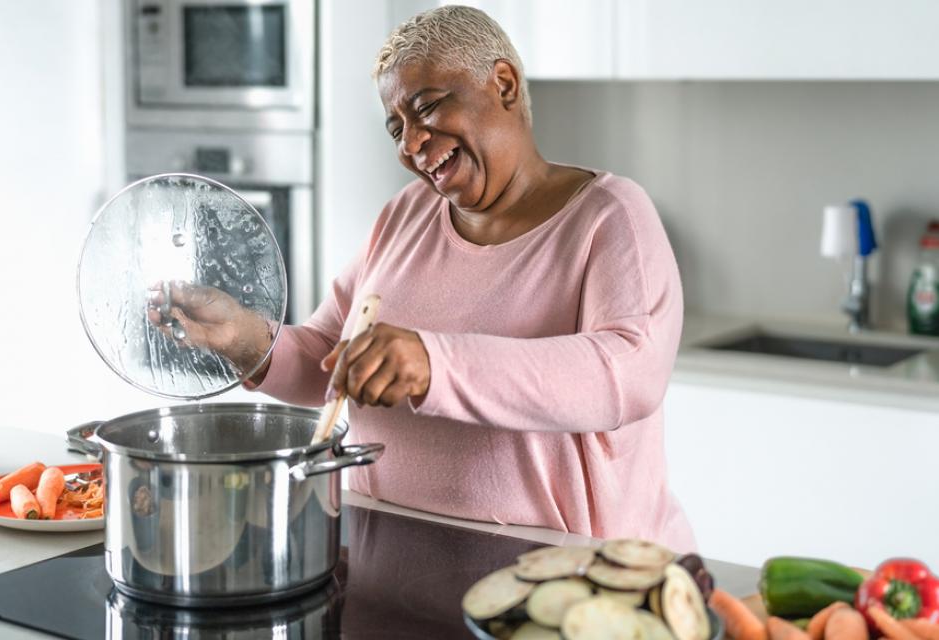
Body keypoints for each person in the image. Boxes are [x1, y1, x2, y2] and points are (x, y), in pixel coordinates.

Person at [157, 5, 695, 551]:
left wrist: (434, 363)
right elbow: (330, 360)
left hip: (564, 578)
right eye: (398, 128)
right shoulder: (405, 215)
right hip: (388, 552)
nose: (412, 145)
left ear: (503, 84)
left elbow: (627, 374)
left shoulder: (608, 215)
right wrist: (246, 338)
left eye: (428, 108)